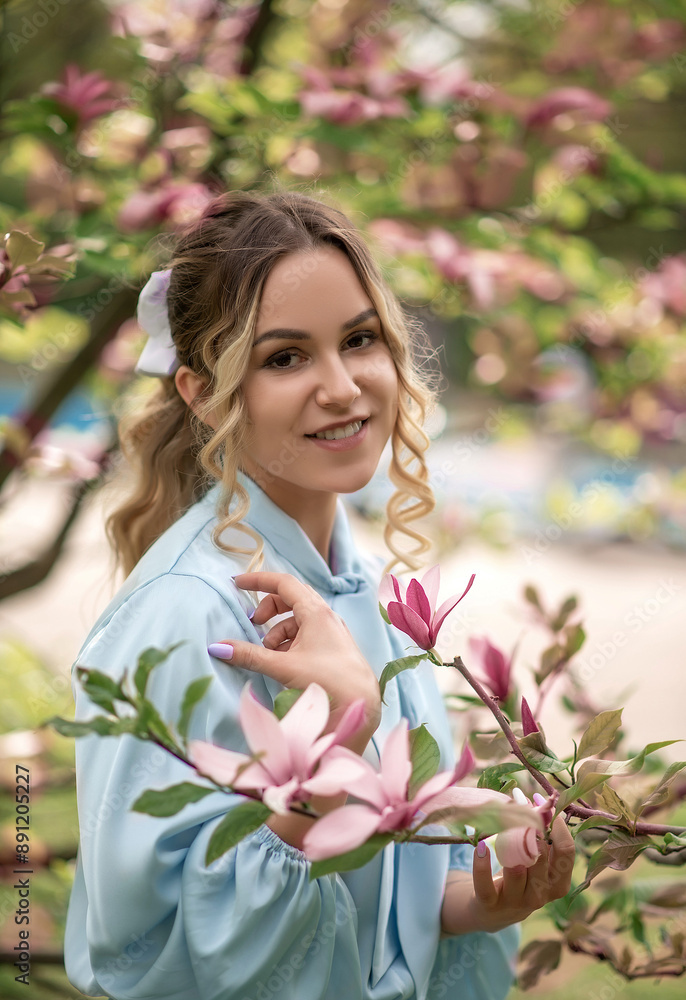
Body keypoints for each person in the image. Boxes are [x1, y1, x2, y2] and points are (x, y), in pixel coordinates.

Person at [65, 189, 574, 1000]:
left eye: (359, 340)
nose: (342, 388)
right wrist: (341, 735)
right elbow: (156, 954)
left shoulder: (366, 589)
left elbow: (377, 908)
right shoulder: (186, 617)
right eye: (285, 357)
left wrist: (477, 898)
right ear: (201, 390)